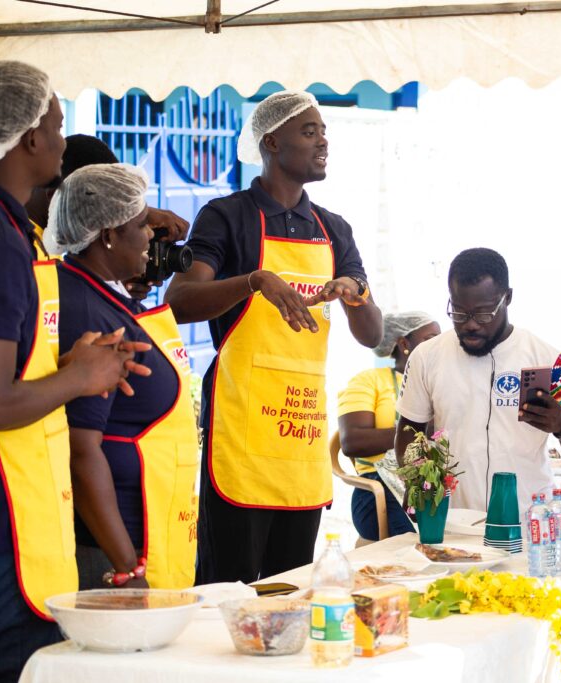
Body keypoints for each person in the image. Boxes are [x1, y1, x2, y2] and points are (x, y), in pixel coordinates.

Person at [0, 60, 143, 682]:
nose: (62, 138)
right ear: (29, 138)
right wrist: (79, 380)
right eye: (56, 123)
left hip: (5, 510)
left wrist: (72, 361)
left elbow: (1, 362)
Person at [165, 91, 383, 584]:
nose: (323, 141)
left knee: (292, 591)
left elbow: (373, 334)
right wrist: (254, 281)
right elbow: (179, 300)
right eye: (309, 131)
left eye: (323, 131)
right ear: (271, 142)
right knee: (230, 592)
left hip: (301, 435)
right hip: (241, 435)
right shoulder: (228, 216)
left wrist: (354, 296)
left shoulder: (334, 229)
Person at [47, 163, 200, 591]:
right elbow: (82, 451)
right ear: (109, 236)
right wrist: (127, 567)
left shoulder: (101, 293)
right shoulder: (87, 313)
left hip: (144, 529)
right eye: (141, 224)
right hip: (107, 549)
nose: (151, 236)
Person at [395, 248, 561, 511]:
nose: (470, 325)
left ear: (508, 298)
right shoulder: (426, 356)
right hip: (454, 520)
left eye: (483, 314)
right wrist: (415, 480)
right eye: (459, 312)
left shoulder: (549, 361)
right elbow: (409, 430)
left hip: (529, 521)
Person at [24, 133, 190, 299]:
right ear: (56, 197)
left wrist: (110, 285)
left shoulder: (51, 240)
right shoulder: (21, 248)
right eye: (99, 204)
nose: (105, 217)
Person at [338, 312, 441, 541]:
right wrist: (417, 428)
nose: (438, 346)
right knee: (418, 540)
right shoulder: (369, 380)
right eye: (430, 339)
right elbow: (352, 441)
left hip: (431, 484)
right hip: (378, 489)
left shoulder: (441, 384)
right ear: (404, 344)